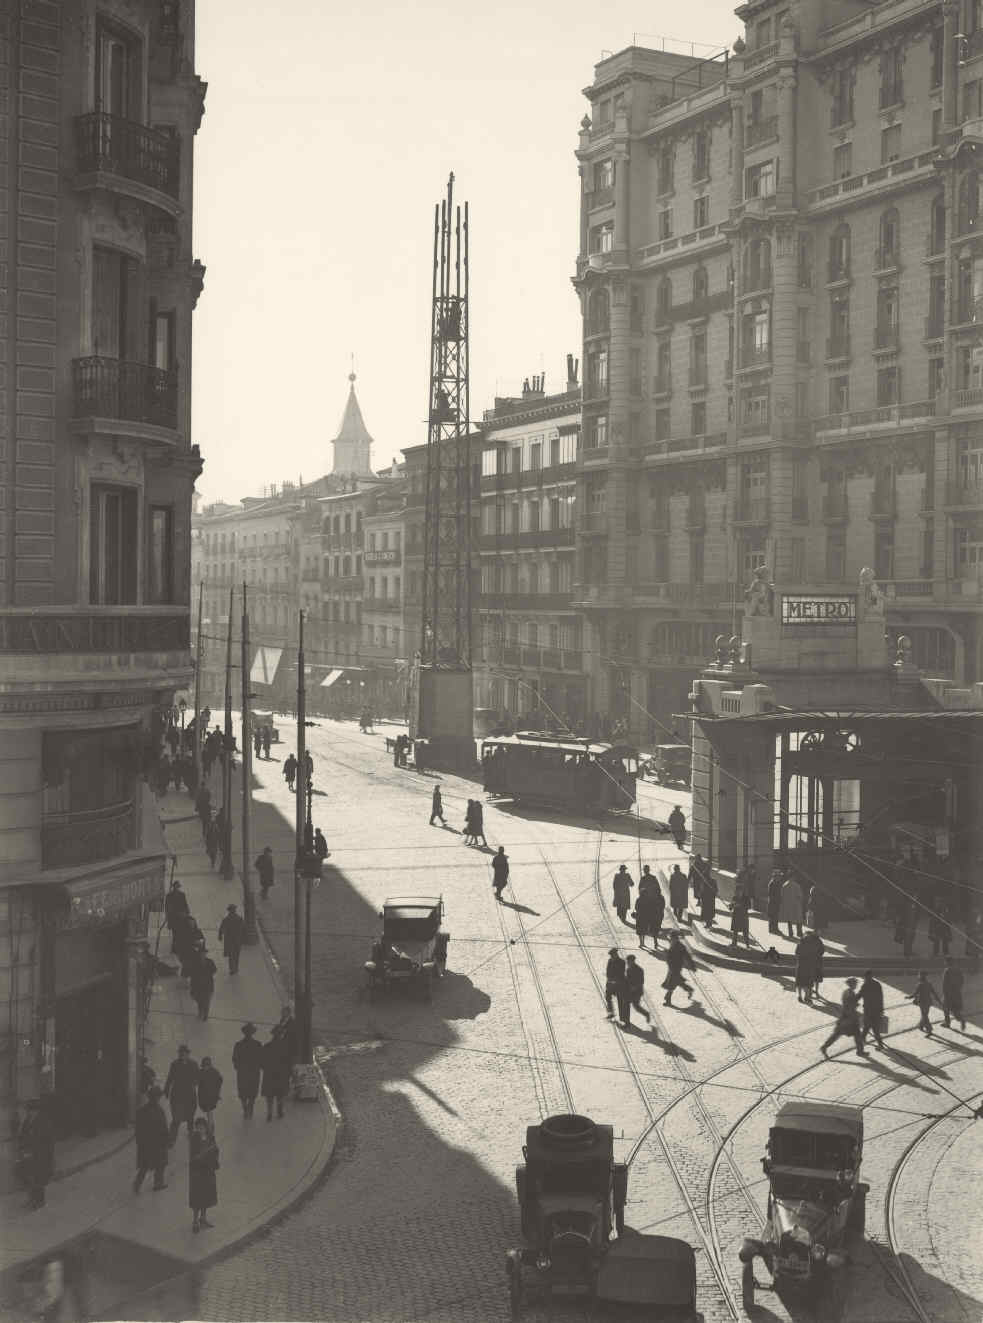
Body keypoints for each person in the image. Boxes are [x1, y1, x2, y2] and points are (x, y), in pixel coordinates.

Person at [17, 1098, 54, 1210]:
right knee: (30, 1178)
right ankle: (32, 1199)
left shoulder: (44, 1121)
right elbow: (23, 1136)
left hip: (40, 1156)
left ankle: (39, 1201)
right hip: (28, 1155)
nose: (30, 1112)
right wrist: (22, 1149)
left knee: (38, 1179)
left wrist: (39, 1153)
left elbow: (47, 1141)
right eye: (29, 1110)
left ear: (37, 1110)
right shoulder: (28, 1120)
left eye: (32, 1110)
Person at [133, 1085, 169, 1193]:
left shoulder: (141, 1111)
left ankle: (137, 1185)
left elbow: (137, 1130)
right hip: (157, 1144)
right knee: (160, 1164)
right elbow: (164, 1129)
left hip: (145, 1144)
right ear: (157, 1098)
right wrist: (167, 1141)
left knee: (144, 1166)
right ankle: (158, 1184)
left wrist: (139, 1142)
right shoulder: (160, 1111)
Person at [820, 978, 866, 1057]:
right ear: (852, 984)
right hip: (849, 1019)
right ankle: (824, 1047)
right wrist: (856, 1007)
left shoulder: (846, 992)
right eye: (855, 984)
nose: (856, 985)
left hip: (845, 1018)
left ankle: (860, 1050)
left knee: (838, 1034)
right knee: (841, 1034)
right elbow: (850, 1005)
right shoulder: (850, 993)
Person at [189, 1116, 219, 1233]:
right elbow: (193, 1156)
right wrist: (201, 1157)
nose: (201, 1129)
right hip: (198, 1173)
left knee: (207, 1195)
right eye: (198, 1127)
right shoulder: (194, 1139)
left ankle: (203, 1218)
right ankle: (195, 1221)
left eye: (203, 1127)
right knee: (197, 1197)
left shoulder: (211, 1137)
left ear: (206, 1127)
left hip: (208, 1171)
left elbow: (216, 1149)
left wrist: (213, 1152)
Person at [164, 1045, 199, 1144]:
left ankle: (191, 1135)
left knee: (190, 1117)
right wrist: (166, 1091)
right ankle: (171, 1139)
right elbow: (170, 1078)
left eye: (185, 1053)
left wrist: (195, 1083)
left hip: (189, 1095)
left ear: (188, 1054)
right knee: (176, 1118)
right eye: (181, 1053)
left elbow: (198, 1078)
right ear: (179, 1054)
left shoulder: (194, 1064)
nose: (183, 1055)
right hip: (177, 1095)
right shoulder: (174, 1064)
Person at [233, 1022, 263, 1118]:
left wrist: (238, 1067)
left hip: (242, 1072)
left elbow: (235, 1059)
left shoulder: (238, 1044)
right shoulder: (258, 1044)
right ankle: (250, 1107)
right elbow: (261, 1058)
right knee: (252, 1092)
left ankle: (245, 1108)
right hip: (254, 1072)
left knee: (243, 1092)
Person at [261, 1028, 291, 1121]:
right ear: (281, 1035)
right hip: (281, 1074)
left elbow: (262, 1061)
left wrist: (266, 1069)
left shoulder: (267, 1046)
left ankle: (269, 1112)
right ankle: (279, 1110)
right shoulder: (286, 1047)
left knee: (269, 1095)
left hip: (269, 1073)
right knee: (280, 1093)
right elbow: (288, 1062)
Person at [662, 933, 696, 1007]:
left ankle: (668, 999)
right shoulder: (673, 944)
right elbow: (671, 954)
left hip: (676, 967)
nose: (670, 939)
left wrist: (692, 966)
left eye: (671, 938)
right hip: (671, 966)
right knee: (677, 981)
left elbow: (687, 956)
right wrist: (667, 952)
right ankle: (689, 989)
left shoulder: (681, 946)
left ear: (675, 938)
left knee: (672, 982)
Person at [859, 970, 886, 1048]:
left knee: (871, 1027)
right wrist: (881, 1009)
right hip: (876, 1010)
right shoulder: (877, 984)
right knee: (870, 1027)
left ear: (866, 977)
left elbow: (859, 995)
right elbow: (881, 998)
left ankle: (880, 1044)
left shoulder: (865, 985)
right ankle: (862, 1040)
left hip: (868, 1010)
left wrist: (852, 1001)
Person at [189, 945, 217, 1021]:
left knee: (207, 1000)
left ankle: (205, 1015)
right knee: (199, 1000)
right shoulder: (195, 963)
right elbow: (193, 975)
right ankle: (201, 1010)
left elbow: (214, 970)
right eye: (201, 953)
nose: (203, 955)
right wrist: (192, 987)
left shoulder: (210, 962)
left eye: (204, 953)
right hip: (198, 985)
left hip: (208, 985)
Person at [635, 882, 665, 952]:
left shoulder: (639, 899)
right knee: (647, 929)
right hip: (650, 916)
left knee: (640, 930)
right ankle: (654, 941)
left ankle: (641, 942)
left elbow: (636, 907)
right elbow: (655, 907)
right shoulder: (651, 899)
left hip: (641, 916)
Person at [197, 1057, 223, 1136]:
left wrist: (217, 1093)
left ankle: (210, 1130)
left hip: (209, 1097)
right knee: (209, 1112)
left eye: (207, 1065)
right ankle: (211, 1129)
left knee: (209, 1113)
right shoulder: (214, 1071)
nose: (205, 1067)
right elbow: (220, 1081)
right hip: (206, 1096)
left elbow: (219, 1082)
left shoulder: (204, 1072)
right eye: (205, 1066)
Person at [911, 970, 942, 1035]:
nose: (918, 976)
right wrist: (938, 1000)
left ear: (920, 976)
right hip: (928, 1002)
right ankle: (921, 1026)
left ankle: (929, 1029)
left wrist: (909, 997)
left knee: (924, 1015)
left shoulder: (919, 984)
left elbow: (915, 994)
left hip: (922, 1002)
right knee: (925, 1014)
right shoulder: (929, 984)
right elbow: (934, 993)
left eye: (919, 975)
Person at [794, 933, 822, 1004]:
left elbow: (796, 953)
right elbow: (819, 953)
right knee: (808, 982)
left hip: (801, 966)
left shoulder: (799, 944)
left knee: (800, 982)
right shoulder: (812, 946)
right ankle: (807, 997)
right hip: (809, 967)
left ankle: (800, 996)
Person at [218, 903, 245, 975]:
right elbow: (243, 929)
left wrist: (220, 936)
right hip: (237, 940)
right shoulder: (239, 918)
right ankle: (235, 968)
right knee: (236, 955)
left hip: (229, 940)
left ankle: (232, 969)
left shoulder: (226, 919)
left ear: (229, 911)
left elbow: (221, 928)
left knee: (231, 955)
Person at [164, 880, 190, 952]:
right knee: (175, 933)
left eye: (178, 887)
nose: (176, 888)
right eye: (175, 886)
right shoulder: (169, 896)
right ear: (173, 887)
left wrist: (187, 912)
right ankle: (174, 948)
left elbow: (185, 904)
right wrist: (167, 916)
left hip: (181, 917)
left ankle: (178, 947)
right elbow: (166, 907)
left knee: (180, 932)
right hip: (173, 917)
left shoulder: (182, 895)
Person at [604, 948, 629, 1022]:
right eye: (611, 955)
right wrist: (609, 980)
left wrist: (614, 980)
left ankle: (623, 1018)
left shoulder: (622, 962)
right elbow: (608, 971)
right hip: (610, 983)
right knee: (608, 997)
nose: (611, 957)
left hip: (619, 984)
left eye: (613, 955)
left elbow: (621, 973)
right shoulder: (610, 961)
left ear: (616, 954)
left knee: (620, 1000)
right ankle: (611, 1012)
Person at [624, 954, 650, 1023]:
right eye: (627, 961)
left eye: (628, 961)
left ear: (632, 961)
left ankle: (646, 1014)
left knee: (636, 1007)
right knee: (626, 1004)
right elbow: (627, 979)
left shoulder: (639, 970)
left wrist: (634, 987)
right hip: (630, 991)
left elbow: (641, 981)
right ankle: (626, 1020)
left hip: (637, 992)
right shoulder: (628, 969)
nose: (627, 963)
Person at [941, 957, 966, 1030]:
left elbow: (944, 983)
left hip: (948, 994)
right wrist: (958, 989)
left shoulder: (947, 970)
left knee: (945, 1008)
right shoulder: (958, 970)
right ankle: (961, 1020)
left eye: (945, 962)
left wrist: (944, 993)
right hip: (957, 993)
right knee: (955, 1010)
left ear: (947, 962)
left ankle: (947, 1022)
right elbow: (962, 980)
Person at [276, 1004, 299, 1072]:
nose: (281, 1013)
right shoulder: (282, 1020)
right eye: (282, 1012)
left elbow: (292, 1037)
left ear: (288, 1013)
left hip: (289, 1048)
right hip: (282, 1047)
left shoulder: (292, 1022)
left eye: (283, 1012)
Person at [781, 874, 804, 940]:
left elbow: (782, 896)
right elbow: (800, 896)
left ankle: (790, 933)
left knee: (789, 920)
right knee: (798, 919)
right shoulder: (797, 885)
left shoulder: (784, 885)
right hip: (796, 905)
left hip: (788, 905)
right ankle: (799, 932)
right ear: (793, 877)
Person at [766, 868, 784, 935]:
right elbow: (771, 894)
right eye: (779, 876)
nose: (780, 877)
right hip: (773, 902)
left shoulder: (777, 883)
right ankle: (773, 929)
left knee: (775, 916)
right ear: (775, 876)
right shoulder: (772, 883)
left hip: (775, 902)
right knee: (773, 916)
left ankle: (774, 928)